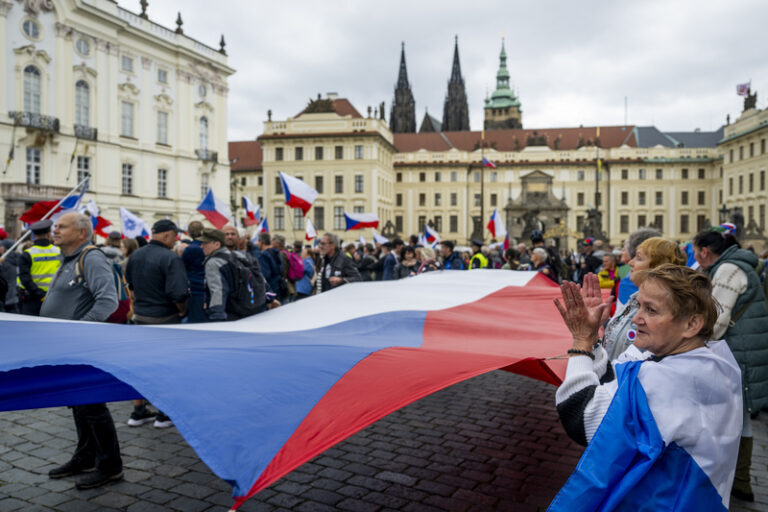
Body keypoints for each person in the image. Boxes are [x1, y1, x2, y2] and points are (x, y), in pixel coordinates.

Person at [550, 268, 741, 510]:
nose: (637, 318)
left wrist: (580, 341)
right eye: (638, 306)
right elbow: (616, 388)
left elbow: (581, 417)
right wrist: (592, 340)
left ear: (692, 324)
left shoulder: (670, 380)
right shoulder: (711, 360)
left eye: (651, 310)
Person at [41, 213, 122, 490]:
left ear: (81, 232)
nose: (55, 230)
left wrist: (79, 331)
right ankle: (86, 456)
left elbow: (108, 301)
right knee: (79, 402)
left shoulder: (92, 258)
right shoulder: (69, 259)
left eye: (62, 226)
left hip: (83, 344)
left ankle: (110, 466)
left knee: (92, 404)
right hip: (66, 345)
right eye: (55, 226)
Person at [693, 229, 768, 502]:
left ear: (704, 251)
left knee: (736, 413)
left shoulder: (727, 269)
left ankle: (737, 479)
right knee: (741, 413)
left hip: (739, 350)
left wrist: (694, 343)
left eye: (695, 251)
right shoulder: (737, 264)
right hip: (747, 346)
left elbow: (718, 317)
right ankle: (741, 480)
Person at [602, 237, 685, 361]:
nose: (630, 262)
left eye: (639, 258)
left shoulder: (664, 309)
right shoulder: (635, 299)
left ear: (658, 267)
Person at [17, 219, 61, 316]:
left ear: (34, 235)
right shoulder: (59, 251)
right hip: (54, 298)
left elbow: (24, 278)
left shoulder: (28, 253)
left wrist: (39, 294)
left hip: (32, 299)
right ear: (49, 234)